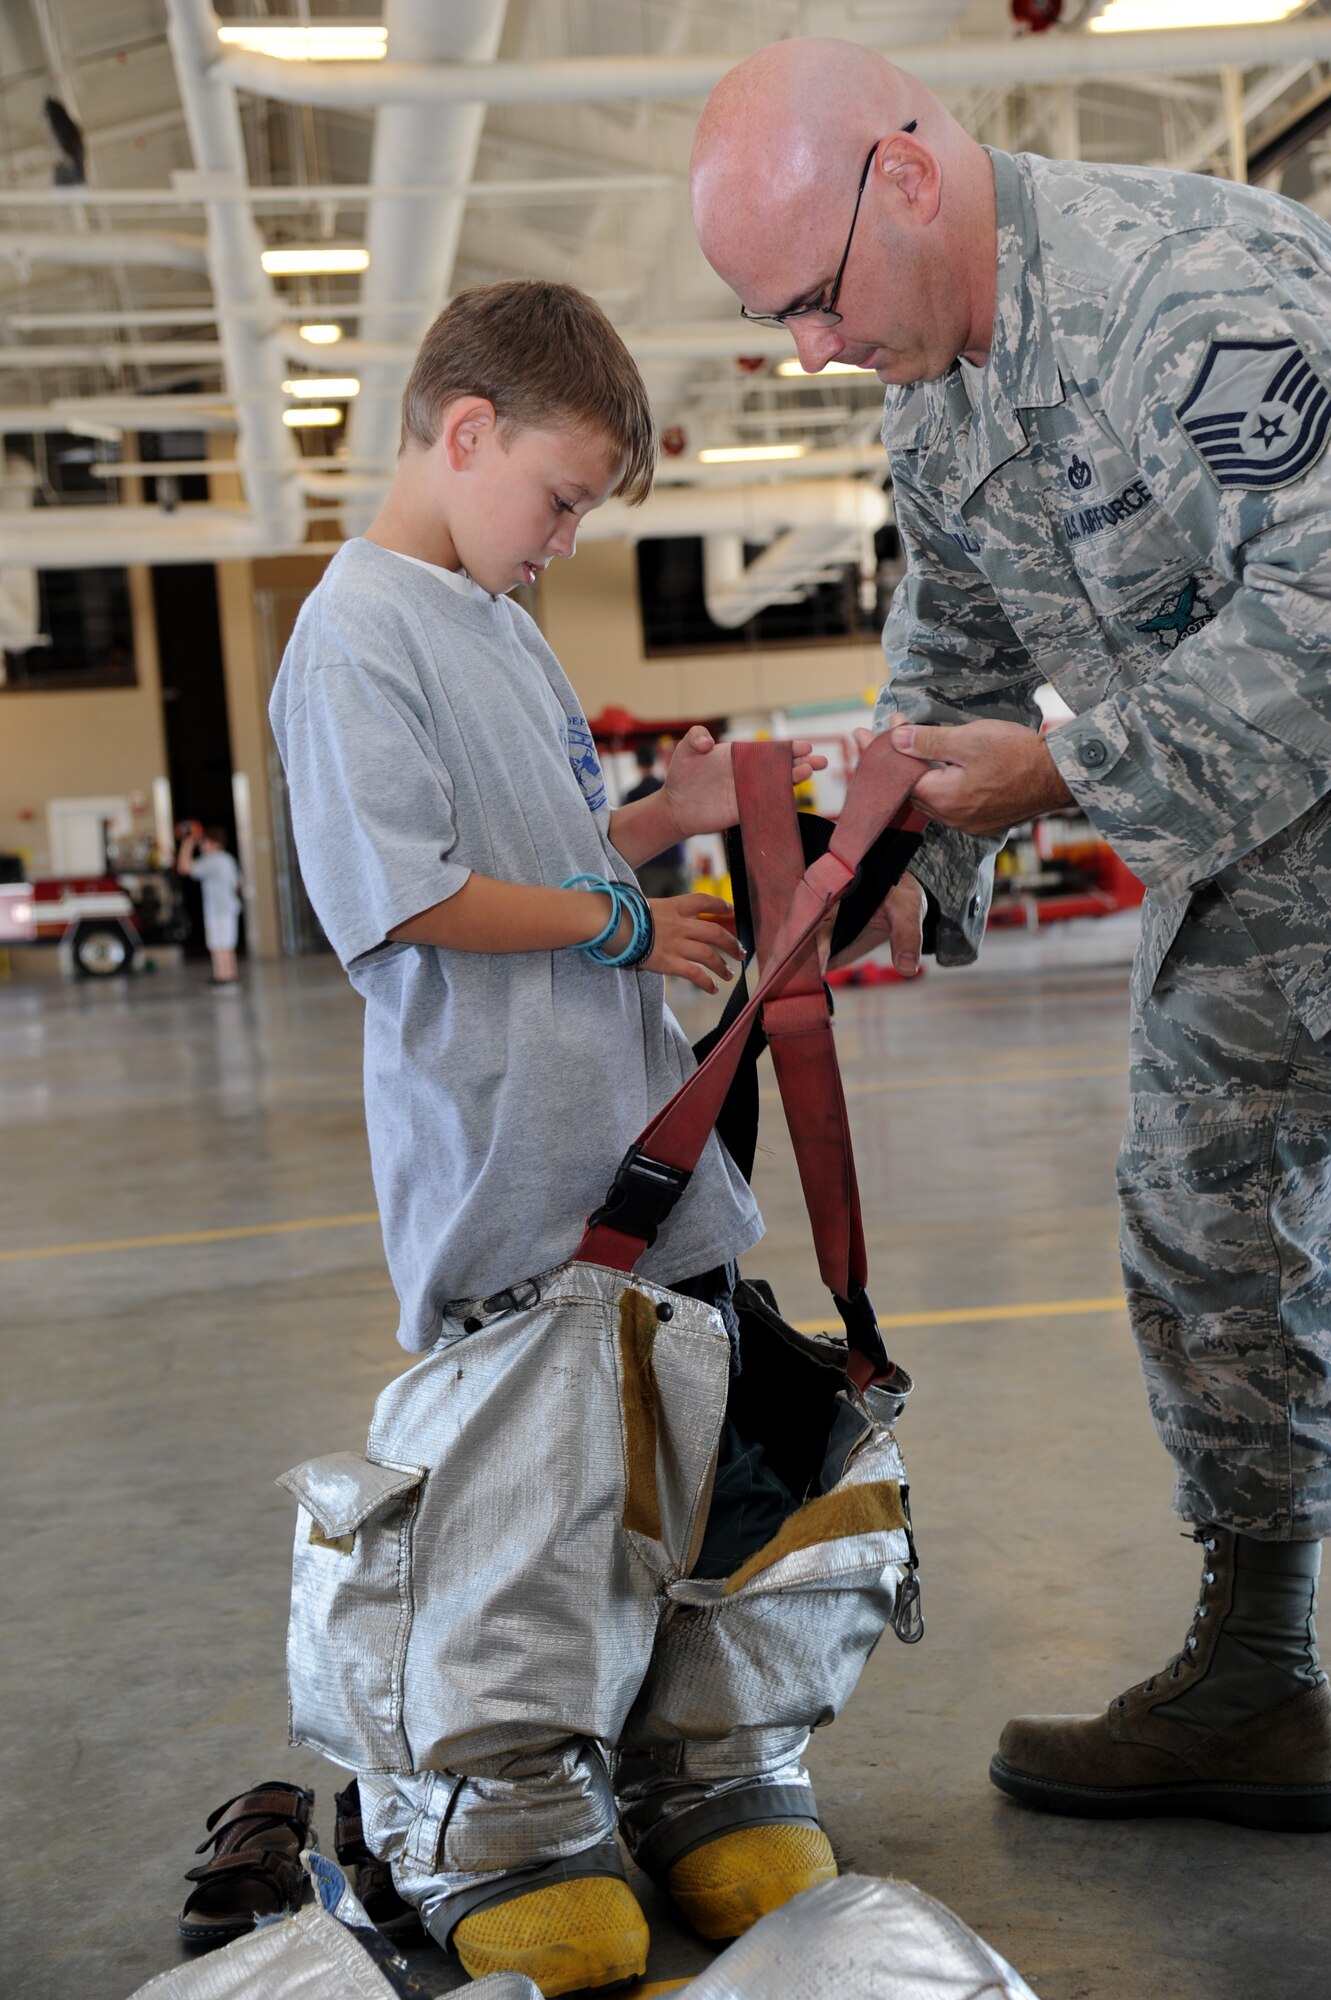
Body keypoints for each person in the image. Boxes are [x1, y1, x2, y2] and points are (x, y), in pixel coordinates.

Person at [690, 39, 1331, 1833]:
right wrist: (893, 869)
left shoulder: (1185, 303)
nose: (806, 349)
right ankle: (1262, 1674)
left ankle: (1262, 1675)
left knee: (1228, 1210)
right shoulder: (938, 400)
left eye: (807, 299)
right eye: (772, 322)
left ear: (904, 179)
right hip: (1257, 845)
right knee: (1207, 1221)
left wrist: (1068, 770)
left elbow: (1327, 591)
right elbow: (950, 653)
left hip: (1289, 795)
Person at [269, 280, 909, 1993]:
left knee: (691, 1468)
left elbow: (558, 844)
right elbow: (402, 895)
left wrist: (666, 822)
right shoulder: (355, 636)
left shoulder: (497, 616)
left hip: (641, 1156)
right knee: (527, 1507)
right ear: (463, 433)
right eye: (557, 498)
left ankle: (699, 1762)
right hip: (510, 1163)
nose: (562, 539)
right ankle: (512, 1807)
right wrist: (615, 924)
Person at [176, 822, 242, 987]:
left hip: (218, 910)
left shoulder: (213, 859)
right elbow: (237, 885)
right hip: (229, 907)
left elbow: (184, 868)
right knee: (227, 944)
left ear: (214, 843)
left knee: (218, 944)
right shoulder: (228, 859)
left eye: (203, 842)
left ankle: (223, 978)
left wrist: (187, 844)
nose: (201, 846)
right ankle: (229, 975)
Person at [623, 739, 691, 898]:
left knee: (654, 917)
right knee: (685, 915)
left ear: (637, 766)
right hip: (677, 862)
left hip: (649, 865)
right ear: (656, 762)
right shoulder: (668, 787)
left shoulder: (633, 795)